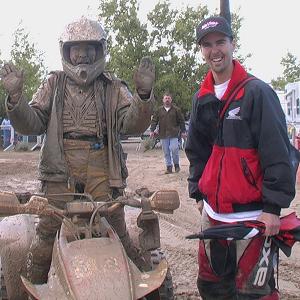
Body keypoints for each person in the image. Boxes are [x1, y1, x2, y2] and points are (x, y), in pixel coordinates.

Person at [0, 16, 155, 284]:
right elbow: (33, 123)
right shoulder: (53, 84)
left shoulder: (113, 87)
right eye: (76, 48)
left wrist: (143, 97)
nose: (82, 55)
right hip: (59, 170)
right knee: (45, 237)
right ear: (65, 51)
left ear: (100, 50)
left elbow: (129, 125)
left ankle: (142, 287)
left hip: (102, 169)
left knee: (118, 234)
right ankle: (32, 288)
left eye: (89, 48)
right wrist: (16, 99)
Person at [185, 16, 295, 299]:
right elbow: (196, 151)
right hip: (213, 217)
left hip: (253, 219)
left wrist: (272, 207)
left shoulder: (258, 92)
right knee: (212, 289)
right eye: (207, 45)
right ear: (202, 50)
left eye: (220, 42)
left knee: (254, 293)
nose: (215, 50)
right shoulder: (201, 97)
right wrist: (199, 193)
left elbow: (278, 154)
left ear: (233, 44)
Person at [150, 92, 186, 174]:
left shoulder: (176, 110)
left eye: (168, 98)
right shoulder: (159, 110)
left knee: (174, 149)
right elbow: (154, 121)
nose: (167, 100)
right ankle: (169, 167)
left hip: (174, 134)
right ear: (163, 100)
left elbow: (181, 121)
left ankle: (176, 165)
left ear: (171, 100)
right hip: (163, 134)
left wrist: (183, 131)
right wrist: (152, 130)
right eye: (166, 98)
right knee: (166, 152)